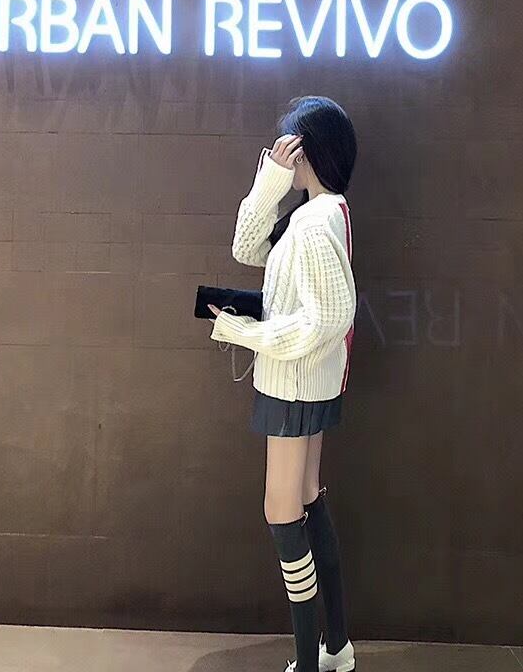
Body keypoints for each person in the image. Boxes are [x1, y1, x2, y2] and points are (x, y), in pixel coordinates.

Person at [207, 95, 358, 672]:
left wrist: (246, 333)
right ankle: (335, 648)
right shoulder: (319, 213)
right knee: (308, 501)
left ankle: (309, 660)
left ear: (307, 149)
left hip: (292, 385)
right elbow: (246, 247)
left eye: (287, 145)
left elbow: (328, 318)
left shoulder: (314, 223)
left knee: (281, 512)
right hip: (307, 385)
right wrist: (270, 180)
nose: (280, 153)